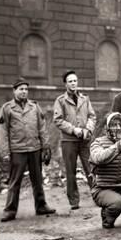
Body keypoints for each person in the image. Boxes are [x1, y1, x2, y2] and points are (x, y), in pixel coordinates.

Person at [0, 78, 55, 222]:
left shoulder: (34, 107)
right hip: (18, 150)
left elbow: (42, 127)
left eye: (26, 89)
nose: (24, 92)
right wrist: (5, 152)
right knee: (15, 181)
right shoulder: (7, 108)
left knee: (37, 179)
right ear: (14, 91)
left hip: (34, 148)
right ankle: (10, 210)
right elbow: (2, 131)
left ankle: (41, 206)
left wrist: (45, 146)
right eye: (21, 89)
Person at [53, 70, 96, 210]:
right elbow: (58, 120)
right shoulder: (60, 101)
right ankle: (74, 201)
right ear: (65, 84)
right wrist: (73, 130)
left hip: (84, 140)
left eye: (75, 81)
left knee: (91, 168)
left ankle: (98, 195)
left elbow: (92, 116)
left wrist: (88, 129)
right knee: (70, 171)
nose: (73, 83)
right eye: (70, 81)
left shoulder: (85, 99)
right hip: (68, 141)